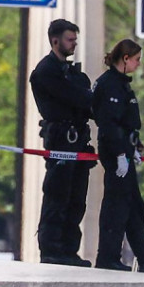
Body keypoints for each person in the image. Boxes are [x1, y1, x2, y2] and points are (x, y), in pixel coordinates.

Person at [30, 19, 95, 266]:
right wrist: (85, 96)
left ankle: (69, 250)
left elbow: (85, 99)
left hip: (77, 142)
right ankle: (52, 249)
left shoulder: (70, 72)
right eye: (70, 39)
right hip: (61, 141)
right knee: (57, 197)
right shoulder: (46, 71)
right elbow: (78, 98)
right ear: (55, 40)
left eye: (75, 40)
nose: (74, 44)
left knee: (76, 199)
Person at [91, 39, 144, 274]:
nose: (139, 64)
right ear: (126, 58)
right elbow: (110, 124)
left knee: (132, 207)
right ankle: (108, 257)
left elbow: (127, 123)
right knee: (116, 206)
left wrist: (134, 146)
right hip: (115, 153)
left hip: (125, 151)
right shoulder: (110, 84)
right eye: (137, 59)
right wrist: (120, 153)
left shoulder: (121, 85)